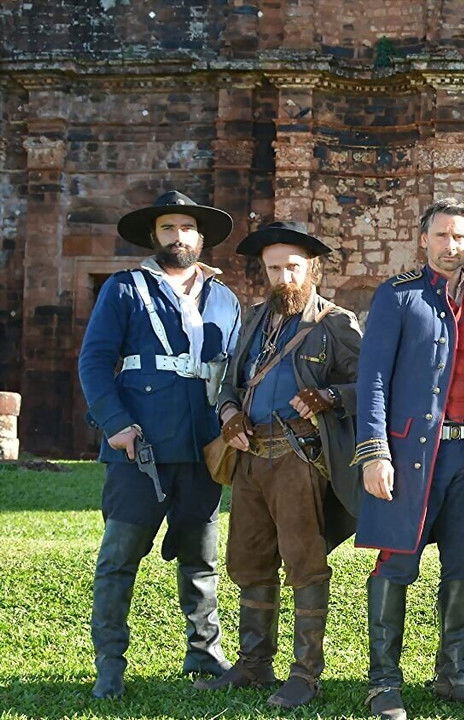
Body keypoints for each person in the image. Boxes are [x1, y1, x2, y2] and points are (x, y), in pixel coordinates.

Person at [353, 199, 464, 720]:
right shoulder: (397, 296)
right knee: (397, 560)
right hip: (410, 455)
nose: (451, 246)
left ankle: (455, 674)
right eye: (441, 235)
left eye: (460, 237)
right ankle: (383, 683)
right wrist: (374, 451)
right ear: (424, 239)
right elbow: (372, 379)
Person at [77, 190, 241, 698]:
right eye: (168, 228)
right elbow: (94, 361)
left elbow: (236, 371)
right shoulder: (124, 288)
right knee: (119, 557)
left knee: (202, 558)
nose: (177, 236)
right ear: (155, 236)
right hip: (138, 446)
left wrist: (232, 421)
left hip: (202, 447)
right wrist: (115, 423)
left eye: (186, 228)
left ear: (200, 237)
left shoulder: (225, 297)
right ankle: (109, 665)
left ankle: (204, 651)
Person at [195, 221, 362, 707]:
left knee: (305, 565)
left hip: (299, 457)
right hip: (250, 457)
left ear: (312, 268)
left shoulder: (336, 322)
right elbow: (230, 384)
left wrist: (329, 396)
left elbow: (370, 385)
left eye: (292, 267)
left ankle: (305, 675)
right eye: (274, 269)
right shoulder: (252, 319)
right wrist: (229, 413)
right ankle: (253, 665)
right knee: (249, 561)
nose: (284, 277)